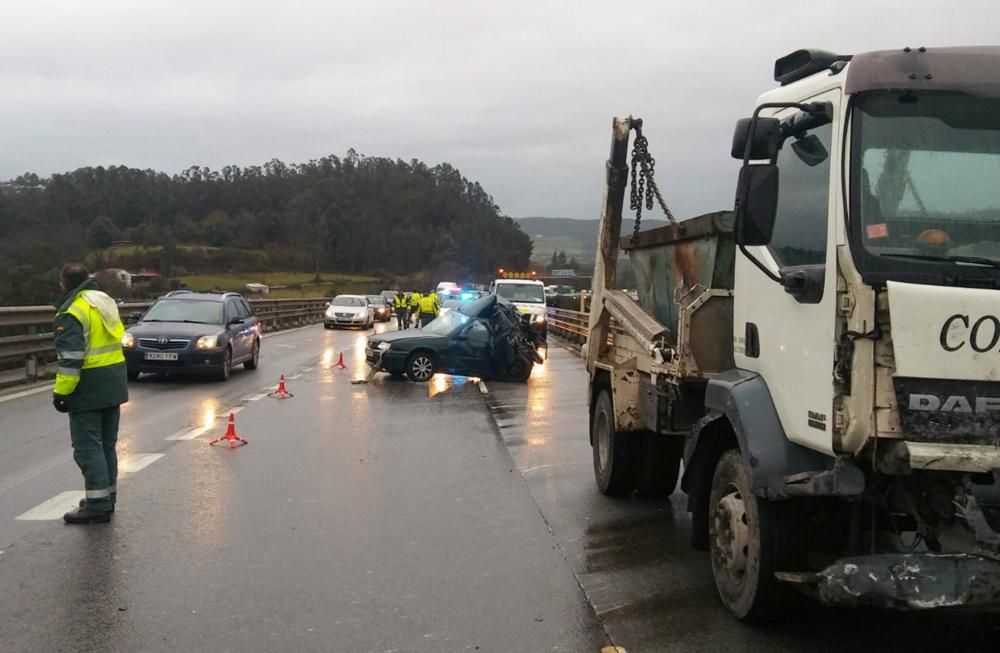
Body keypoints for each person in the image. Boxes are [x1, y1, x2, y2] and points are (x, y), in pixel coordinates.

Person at [52, 263, 129, 524]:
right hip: (114, 381)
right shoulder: (103, 300)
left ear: (64, 284)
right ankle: (107, 498)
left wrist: (62, 393)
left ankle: (97, 505)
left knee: (88, 448)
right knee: (107, 445)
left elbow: (70, 360)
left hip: (90, 386)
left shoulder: (73, 311)